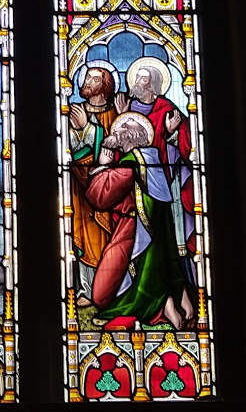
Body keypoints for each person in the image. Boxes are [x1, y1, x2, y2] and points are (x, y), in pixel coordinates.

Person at [86, 112, 195, 329]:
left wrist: (102, 165)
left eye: (118, 131)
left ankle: (162, 305)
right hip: (155, 230)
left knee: (101, 294)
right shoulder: (151, 158)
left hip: (134, 231)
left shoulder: (130, 164)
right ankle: (176, 302)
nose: (112, 133)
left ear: (129, 137)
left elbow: (100, 197)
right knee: (162, 264)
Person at [115, 56, 194, 256]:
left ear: (154, 84)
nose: (136, 83)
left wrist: (171, 133)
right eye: (137, 78)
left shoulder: (167, 108)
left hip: (161, 180)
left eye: (143, 79)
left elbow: (185, 142)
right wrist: (122, 116)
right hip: (133, 182)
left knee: (161, 229)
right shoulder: (128, 107)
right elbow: (119, 142)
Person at [69, 63, 118, 306]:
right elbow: (68, 149)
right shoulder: (73, 111)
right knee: (81, 234)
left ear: (105, 87)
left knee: (105, 236)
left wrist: (87, 128)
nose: (87, 82)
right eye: (87, 77)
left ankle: (108, 289)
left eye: (94, 79)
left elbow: (115, 147)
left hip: (105, 190)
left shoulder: (113, 114)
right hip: (79, 190)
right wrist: (80, 128)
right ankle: (86, 290)